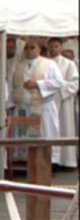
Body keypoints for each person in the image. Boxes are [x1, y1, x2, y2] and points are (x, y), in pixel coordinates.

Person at [11, 38, 65, 164]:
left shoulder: (49, 64)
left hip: (42, 107)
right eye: (26, 48)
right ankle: (23, 160)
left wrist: (38, 84)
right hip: (23, 108)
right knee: (23, 135)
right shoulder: (19, 66)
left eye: (32, 47)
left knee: (44, 134)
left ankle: (47, 162)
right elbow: (13, 86)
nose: (29, 50)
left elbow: (59, 82)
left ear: (39, 49)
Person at [48, 37, 79, 169]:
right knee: (50, 130)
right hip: (48, 101)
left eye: (56, 46)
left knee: (64, 128)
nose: (53, 49)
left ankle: (67, 161)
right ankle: (52, 160)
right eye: (51, 46)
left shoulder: (69, 64)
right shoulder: (44, 62)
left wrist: (60, 87)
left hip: (63, 100)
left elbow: (75, 83)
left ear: (61, 48)